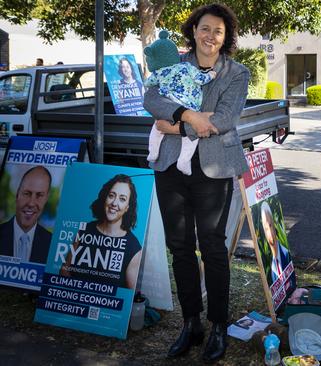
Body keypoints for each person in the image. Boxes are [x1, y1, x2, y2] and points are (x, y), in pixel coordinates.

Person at [143, 3, 250, 363]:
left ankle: (218, 324)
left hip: (214, 167)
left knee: (214, 247)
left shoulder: (236, 72)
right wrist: (188, 115)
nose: (210, 36)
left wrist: (171, 124)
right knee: (180, 246)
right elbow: (151, 98)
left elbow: (224, 119)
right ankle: (191, 323)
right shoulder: (174, 64)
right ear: (194, 31)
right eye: (205, 29)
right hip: (171, 166)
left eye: (218, 31)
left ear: (225, 37)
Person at [144, 29, 218, 176]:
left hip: (171, 107)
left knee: (156, 128)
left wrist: (169, 128)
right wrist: (210, 74)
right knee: (190, 139)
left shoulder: (158, 73)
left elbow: (147, 84)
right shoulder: (186, 67)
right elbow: (201, 79)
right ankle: (184, 161)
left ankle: (153, 151)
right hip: (190, 106)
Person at [59, 174, 142, 290]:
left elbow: (129, 296)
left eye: (122, 199)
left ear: (127, 207)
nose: (114, 203)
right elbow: (64, 270)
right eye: (111, 196)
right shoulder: (85, 230)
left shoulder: (133, 247)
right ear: (105, 198)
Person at [0, 166, 52, 264]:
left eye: (39, 195)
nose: (31, 203)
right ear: (17, 194)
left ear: (46, 199)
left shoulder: (52, 245)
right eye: (27, 193)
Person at [260, 201, 292, 285]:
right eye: (266, 228)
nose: (270, 232)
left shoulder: (285, 254)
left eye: (270, 225)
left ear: (274, 226)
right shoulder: (273, 264)